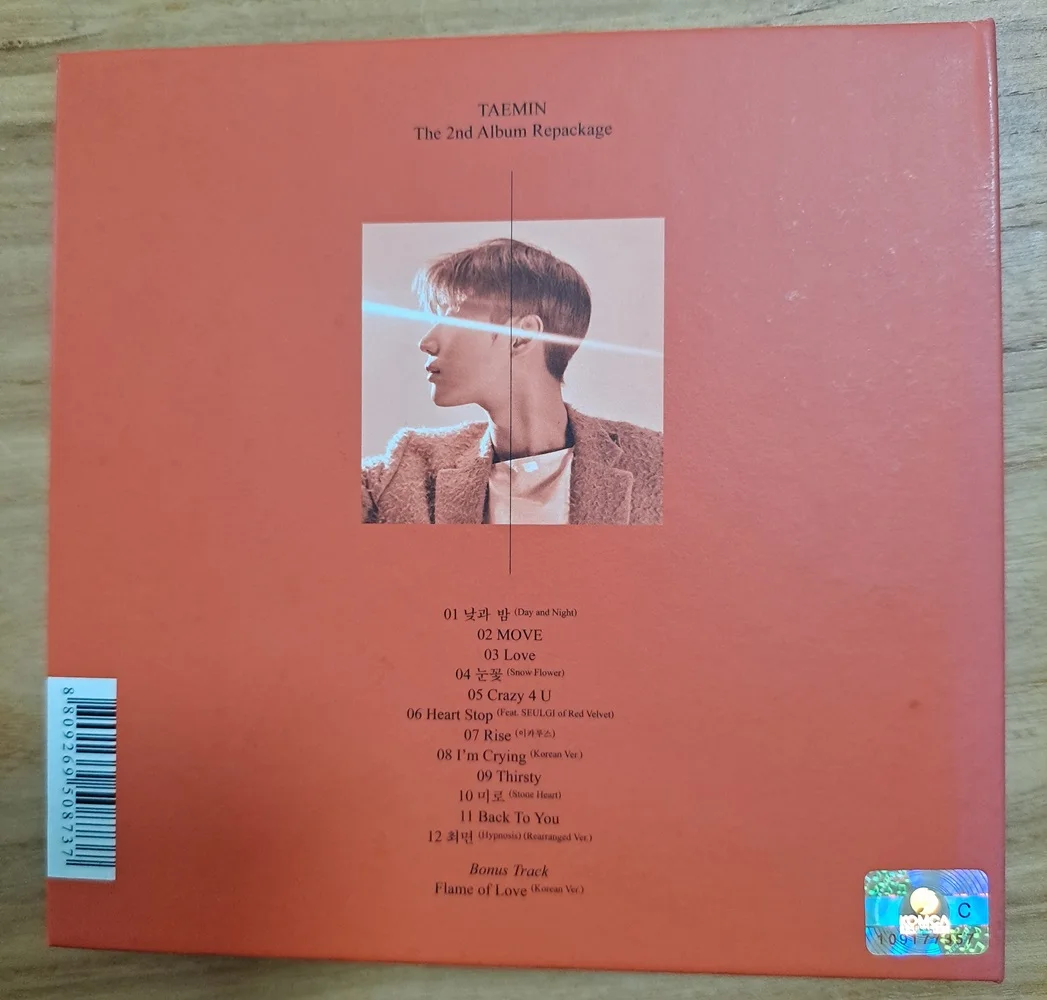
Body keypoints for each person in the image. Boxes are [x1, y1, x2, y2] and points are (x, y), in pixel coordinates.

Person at [362, 238, 662, 524]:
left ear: (521, 336)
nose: (426, 342)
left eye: (452, 319)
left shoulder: (659, 465)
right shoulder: (404, 470)